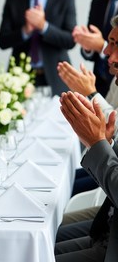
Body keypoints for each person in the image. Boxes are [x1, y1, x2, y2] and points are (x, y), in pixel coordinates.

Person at [56, 15, 118, 261]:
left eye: (114, 45)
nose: (107, 55)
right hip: (106, 225)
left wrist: (97, 144)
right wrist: (106, 144)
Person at [0, 0, 77, 96]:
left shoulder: (66, 0)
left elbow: (70, 41)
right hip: (19, 80)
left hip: (57, 79)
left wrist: (43, 27)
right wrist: (25, 30)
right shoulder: (13, 0)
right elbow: (2, 41)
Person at [72, 0, 118, 97]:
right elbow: (89, 54)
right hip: (97, 85)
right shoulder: (97, 2)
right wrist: (87, 45)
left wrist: (102, 45)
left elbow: (101, 46)